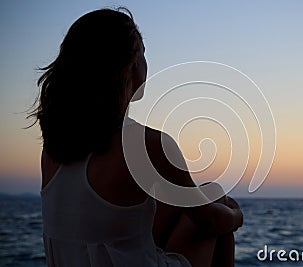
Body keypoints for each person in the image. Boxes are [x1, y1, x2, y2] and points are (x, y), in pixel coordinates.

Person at [29, 7, 243, 267]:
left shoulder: (53, 149)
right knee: (215, 197)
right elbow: (213, 221)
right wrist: (235, 215)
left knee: (191, 200)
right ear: (129, 65)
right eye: (143, 52)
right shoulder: (147, 145)